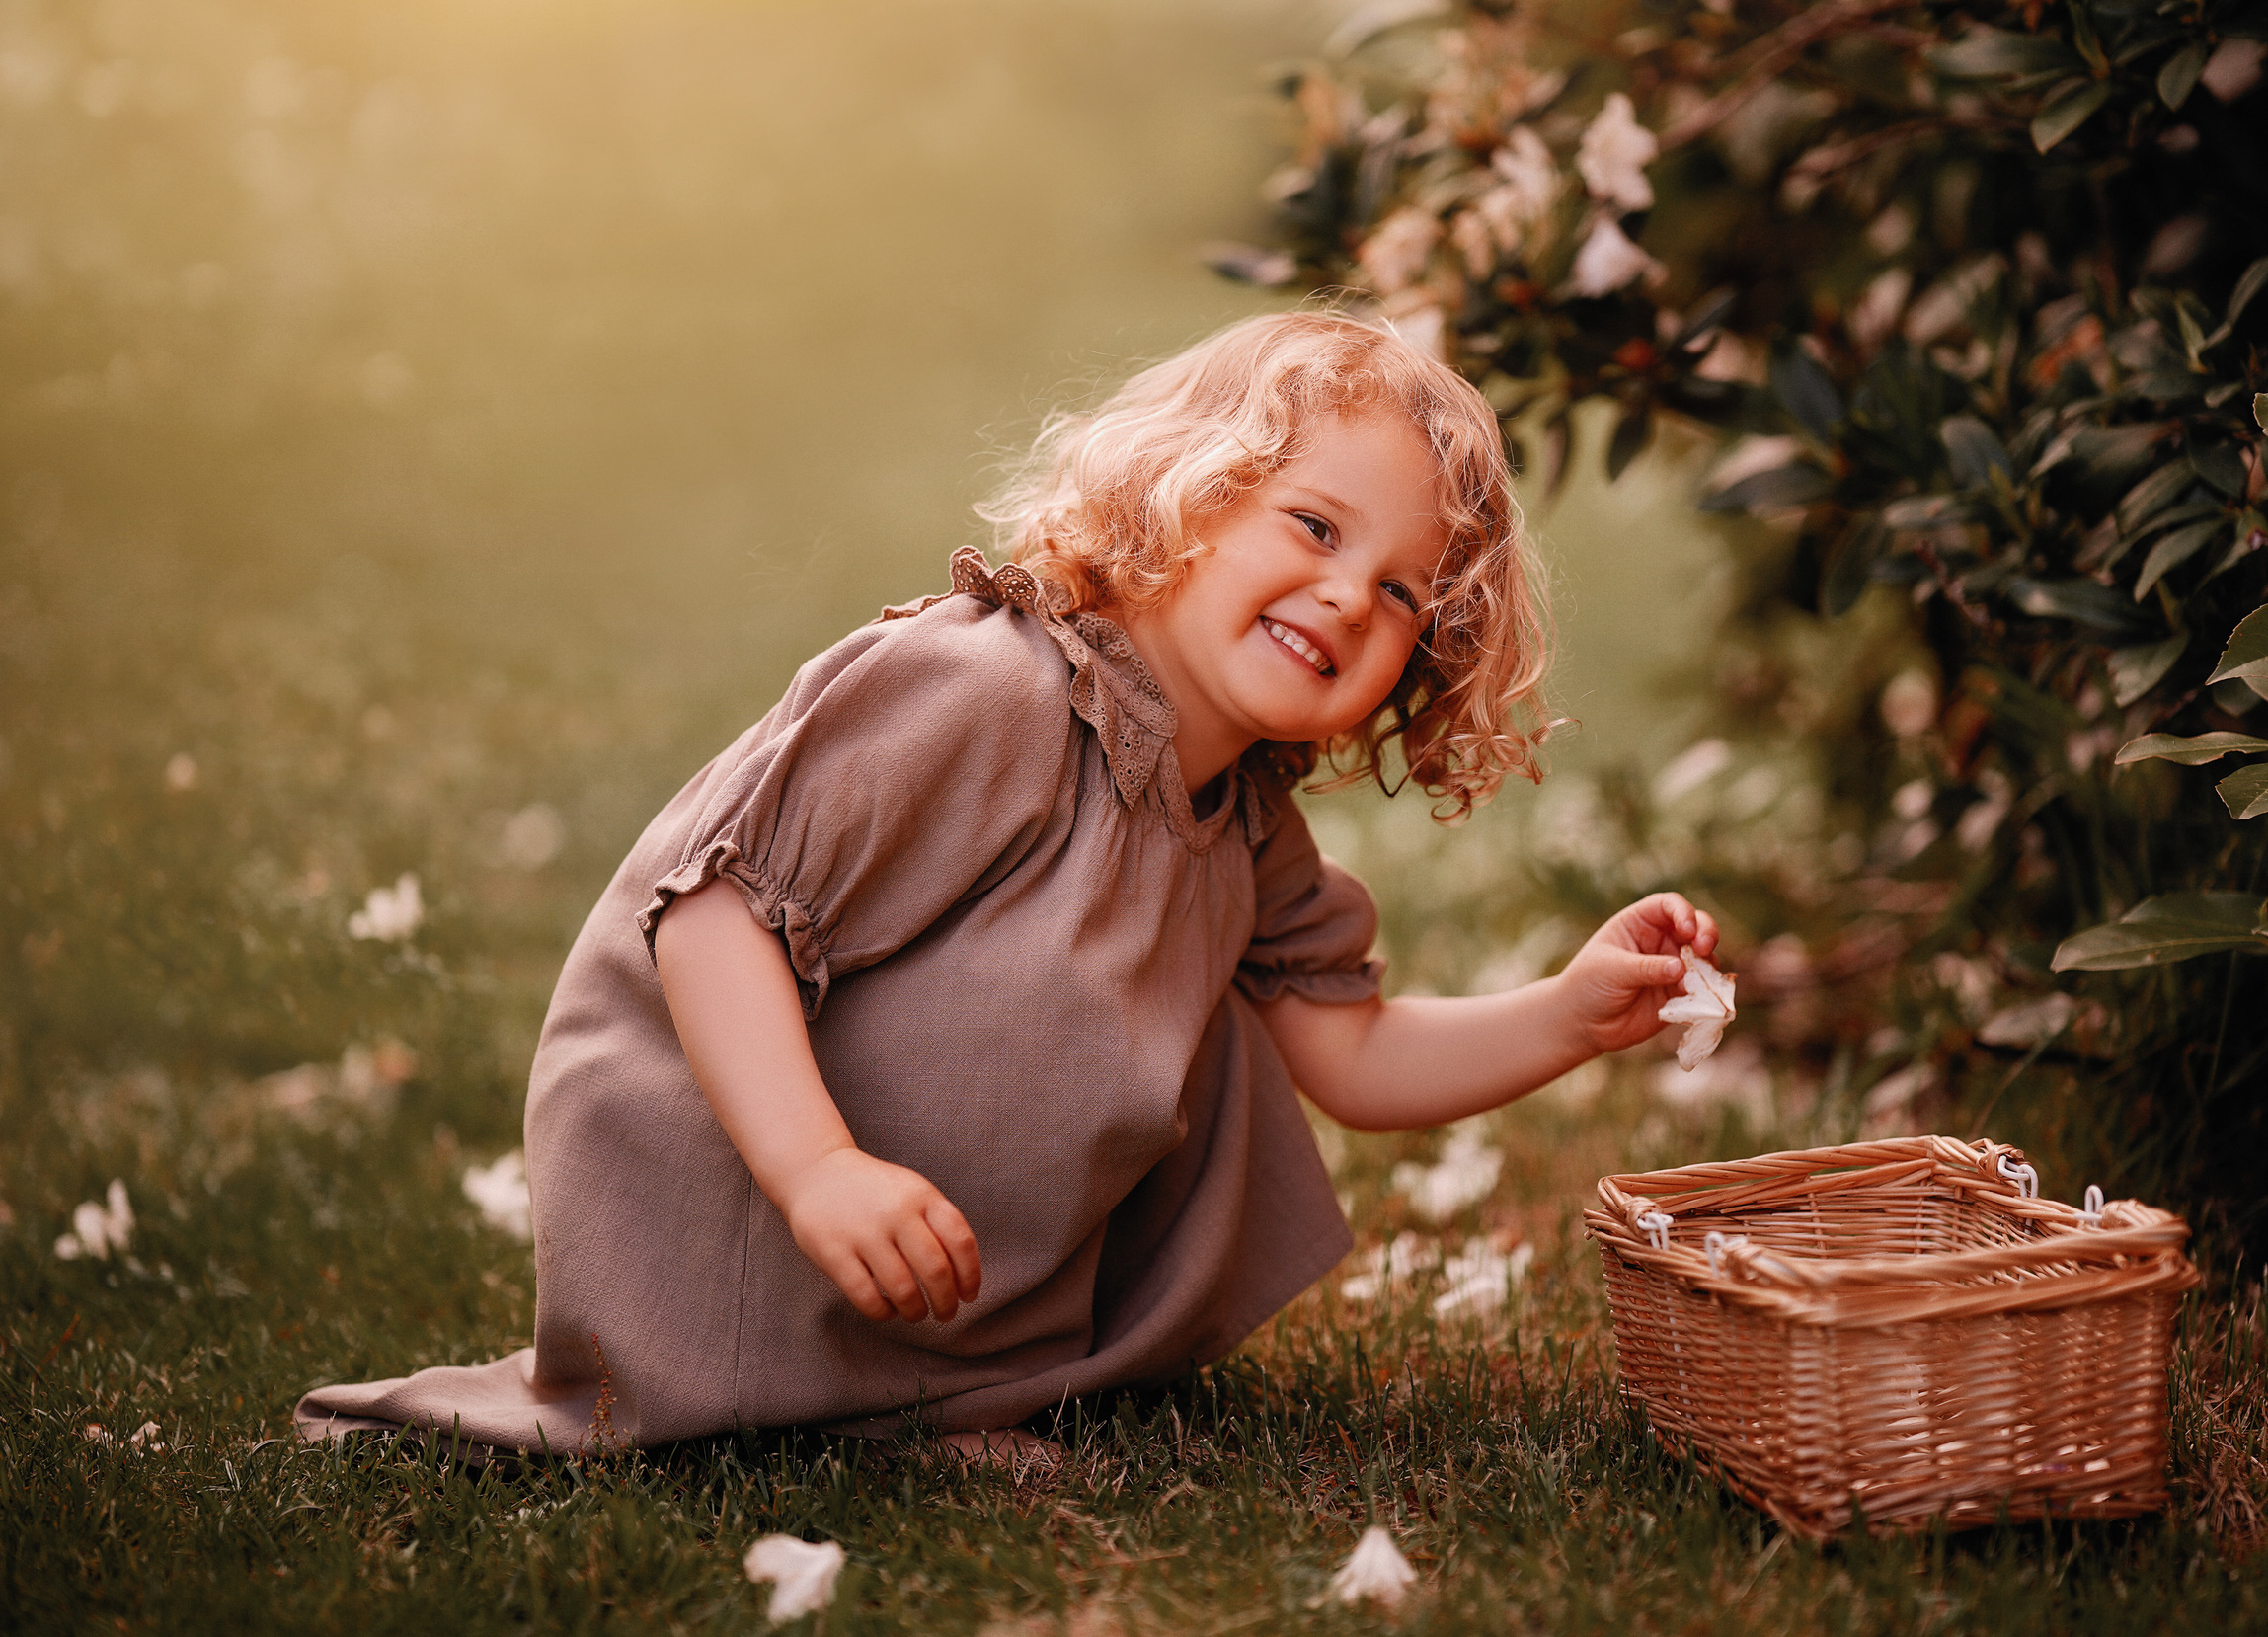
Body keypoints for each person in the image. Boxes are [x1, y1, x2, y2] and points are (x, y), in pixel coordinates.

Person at [296, 311, 1718, 1461]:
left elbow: (1350, 1054)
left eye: (1408, 592)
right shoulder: (989, 690)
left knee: (1220, 1024)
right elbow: (713, 914)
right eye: (1315, 526)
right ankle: (805, 1378)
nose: (1353, 597)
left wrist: (1568, 1014)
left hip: (936, 1258)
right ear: (1189, 495)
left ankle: (912, 1396)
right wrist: (818, 1171)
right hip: (743, 1187)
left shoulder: (1244, 825)